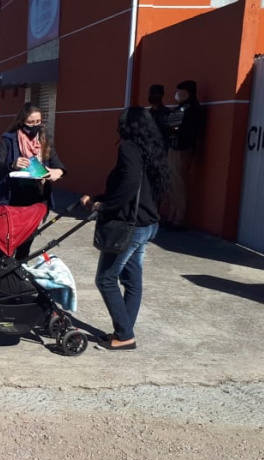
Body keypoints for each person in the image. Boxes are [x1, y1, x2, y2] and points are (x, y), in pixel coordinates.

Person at [80, 107, 170, 351]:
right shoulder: (152, 149)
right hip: (148, 224)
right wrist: (101, 197)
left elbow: (130, 183)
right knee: (131, 279)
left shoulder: (129, 148)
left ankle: (125, 335)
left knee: (106, 278)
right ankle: (124, 331)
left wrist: (104, 205)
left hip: (130, 225)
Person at [0, 102, 67, 258]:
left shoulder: (44, 140)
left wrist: (58, 172)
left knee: (25, 246)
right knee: (4, 245)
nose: (35, 126)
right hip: (11, 200)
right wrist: (11, 165)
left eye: (38, 122)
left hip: (35, 202)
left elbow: (59, 166)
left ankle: (17, 276)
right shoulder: (9, 140)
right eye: (31, 122)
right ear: (21, 121)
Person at [160, 79, 205, 230]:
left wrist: (175, 128)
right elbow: (168, 122)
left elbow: (172, 123)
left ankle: (179, 219)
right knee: (172, 183)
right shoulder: (182, 108)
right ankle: (172, 216)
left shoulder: (191, 109)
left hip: (182, 149)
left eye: (181, 92)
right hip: (174, 148)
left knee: (179, 183)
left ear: (187, 93)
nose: (178, 94)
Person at [146, 83, 171, 148]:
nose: (152, 96)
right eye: (151, 93)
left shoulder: (166, 112)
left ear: (161, 96)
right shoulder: (148, 113)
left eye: (155, 94)